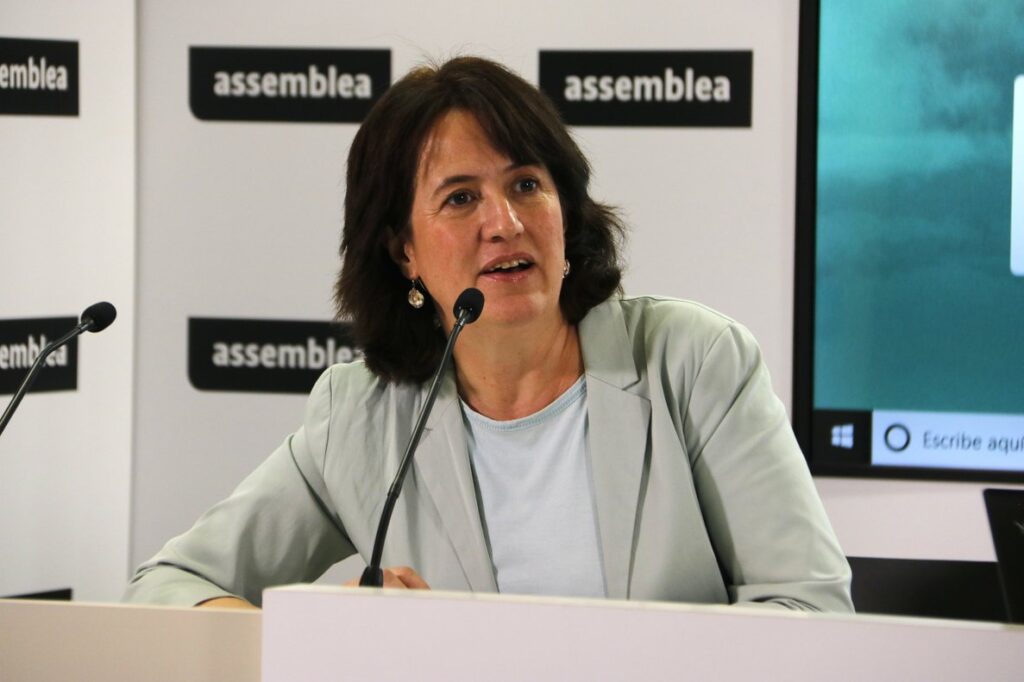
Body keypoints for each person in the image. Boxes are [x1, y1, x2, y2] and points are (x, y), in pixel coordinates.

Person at [124, 56, 853, 612]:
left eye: (527, 184)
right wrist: (325, 631)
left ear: (566, 209)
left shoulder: (690, 364)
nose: (503, 222)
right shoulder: (363, 418)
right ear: (403, 253)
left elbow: (810, 607)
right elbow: (167, 586)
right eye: (461, 198)